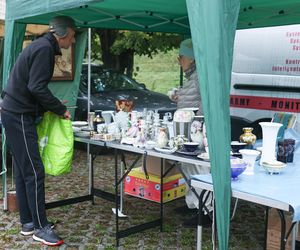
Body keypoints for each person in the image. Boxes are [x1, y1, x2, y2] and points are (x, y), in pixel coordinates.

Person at [1, 16, 76, 246]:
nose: (72, 42)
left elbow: (32, 86)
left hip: (13, 112)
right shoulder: (44, 49)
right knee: (34, 171)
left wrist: (50, 104)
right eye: (72, 37)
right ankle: (41, 228)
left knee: (25, 171)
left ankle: (29, 223)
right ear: (63, 34)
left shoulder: (40, 45)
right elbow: (36, 87)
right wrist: (60, 108)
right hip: (19, 115)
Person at [169, 38, 212, 227]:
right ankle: (193, 203)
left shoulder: (202, 75)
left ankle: (207, 211)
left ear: (192, 59)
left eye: (181, 57)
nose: (179, 61)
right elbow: (192, 98)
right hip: (187, 129)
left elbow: (204, 103)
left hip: (197, 131)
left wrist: (198, 128)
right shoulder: (192, 76)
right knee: (187, 167)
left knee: (199, 168)